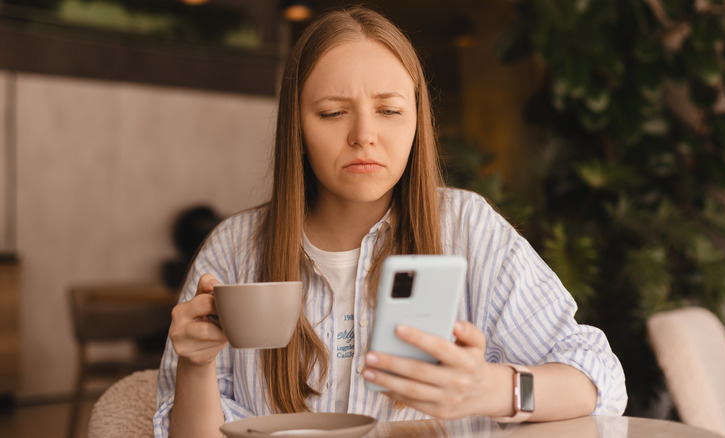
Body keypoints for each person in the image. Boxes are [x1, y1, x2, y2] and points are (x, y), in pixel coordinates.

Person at [153, 6, 627, 438]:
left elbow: (597, 376)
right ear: (295, 126)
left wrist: (489, 388)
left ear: (417, 120)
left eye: (390, 111)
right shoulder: (235, 249)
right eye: (333, 113)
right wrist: (196, 365)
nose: (364, 136)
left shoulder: (466, 229)